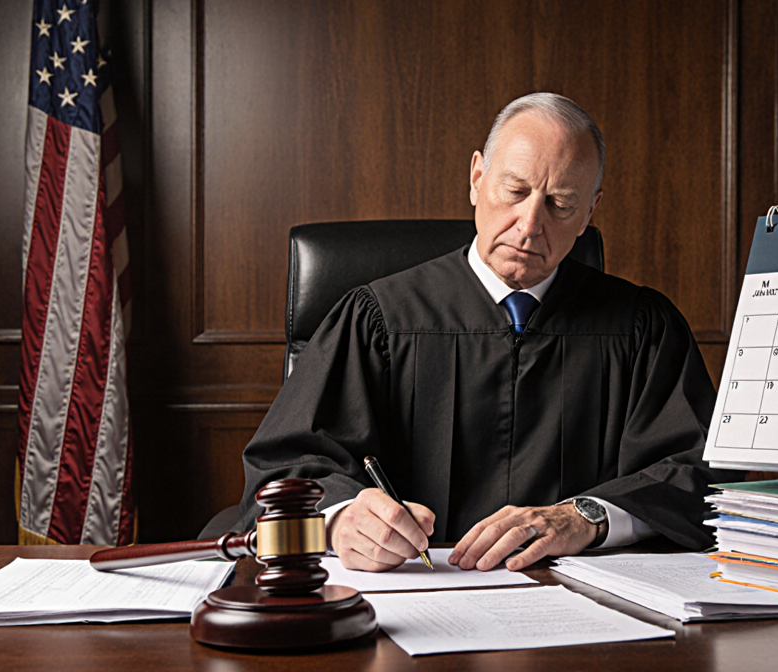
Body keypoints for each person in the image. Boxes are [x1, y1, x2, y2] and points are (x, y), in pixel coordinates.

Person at [220, 93, 741, 572]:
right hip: (409, 602)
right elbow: (284, 469)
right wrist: (340, 519)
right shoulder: (376, 319)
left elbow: (699, 477)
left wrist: (588, 517)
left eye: (560, 203)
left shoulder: (641, 329)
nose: (530, 223)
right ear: (476, 177)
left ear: (590, 211)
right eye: (514, 190)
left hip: (578, 613)